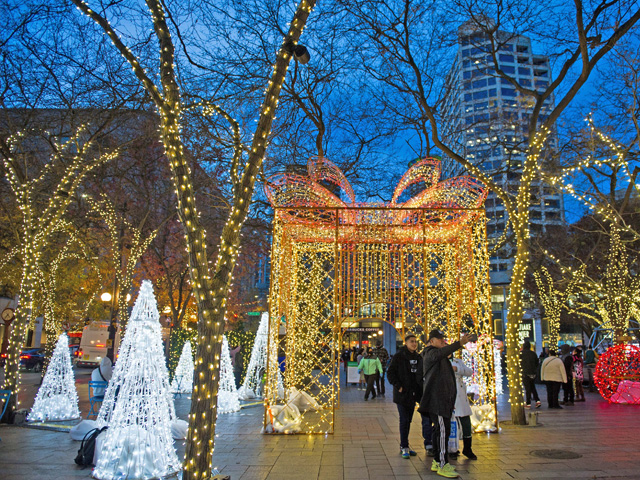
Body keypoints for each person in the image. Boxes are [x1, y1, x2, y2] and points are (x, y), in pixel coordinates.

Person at [419, 329, 476, 479]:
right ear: (431, 341)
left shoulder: (439, 357)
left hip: (442, 400)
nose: (443, 341)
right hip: (436, 401)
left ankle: (438, 461)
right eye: (440, 339)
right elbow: (440, 354)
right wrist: (459, 343)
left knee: (439, 431)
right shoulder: (430, 353)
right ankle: (442, 464)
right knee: (443, 432)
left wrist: (450, 400)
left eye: (443, 339)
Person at [387, 333, 432, 460]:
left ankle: (406, 445)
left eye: (415, 342)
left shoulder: (418, 357)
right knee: (404, 420)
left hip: (413, 395)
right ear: (405, 343)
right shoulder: (399, 356)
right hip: (402, 395)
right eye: (411, 341)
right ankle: (404, 446)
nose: (414, 344)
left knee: (408, 420)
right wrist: (399, 386)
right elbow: (390, 373)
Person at [450, 356, 477, 460]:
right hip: (448, 395)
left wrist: (458, 369)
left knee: (466, 424)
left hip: (460, 396)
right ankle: (452, 449)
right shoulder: (440, 360)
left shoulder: (458, 361)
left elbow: (469, 371)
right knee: (452, 426)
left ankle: (467, 448)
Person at [520, 341, 541, 408]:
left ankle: (528, 403)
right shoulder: (533, 354)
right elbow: (537, 363)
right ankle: (537, 400)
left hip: (525, 373)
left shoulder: (521, 354)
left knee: (527, 388)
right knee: (532, 387)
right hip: (533, 373)